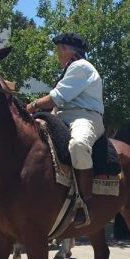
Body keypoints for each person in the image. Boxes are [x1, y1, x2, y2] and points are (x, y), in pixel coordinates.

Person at [26, 32, 104, 228]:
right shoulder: (70, 69)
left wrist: (31, 106)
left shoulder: (81, 67)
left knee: (78, 145)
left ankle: (84, 203)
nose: (57, 55)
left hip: (84, 116)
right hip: (61, 116)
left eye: (58, 50)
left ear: (66, 49)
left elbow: (56, 97)